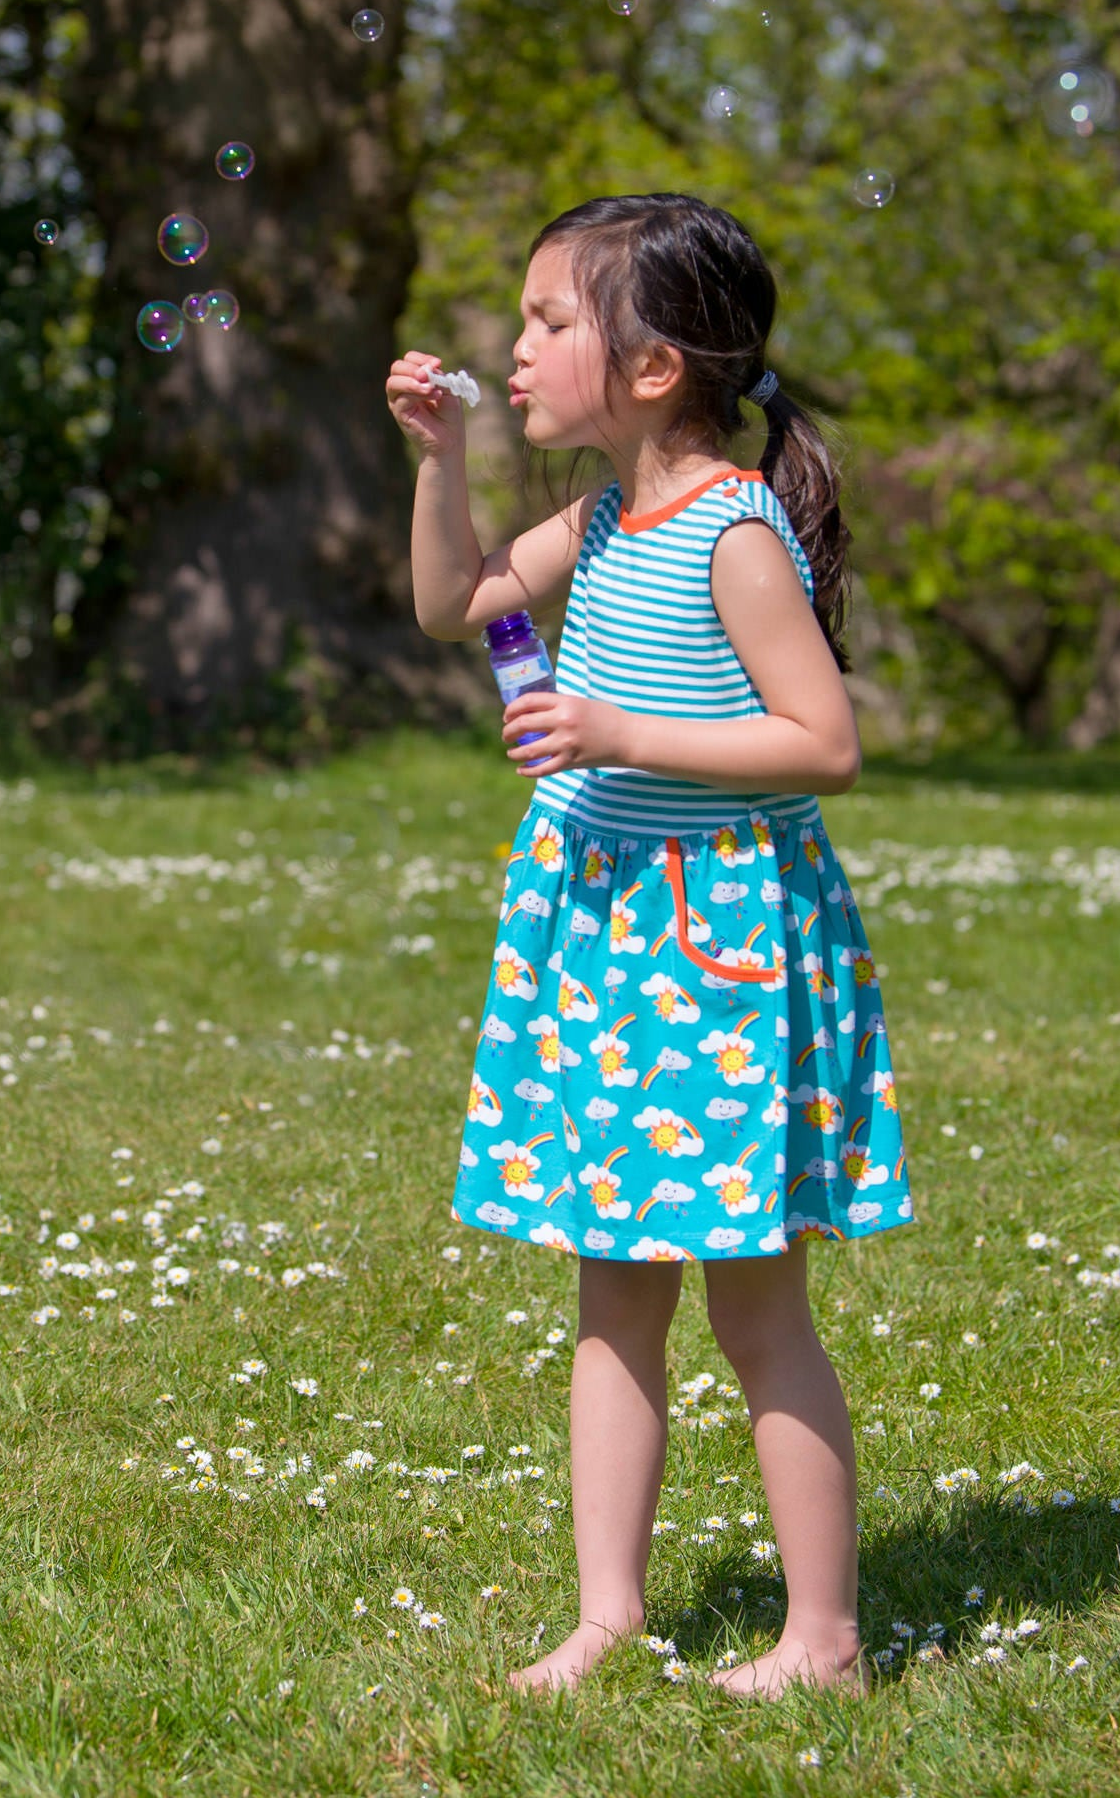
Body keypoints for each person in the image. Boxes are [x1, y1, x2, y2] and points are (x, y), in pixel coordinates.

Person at [385, 193, 912, 1697]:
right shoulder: (604, 515)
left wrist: (616, 727)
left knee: (754, 1303)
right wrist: (442, 464)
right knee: (611, 1286)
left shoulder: (731, 534)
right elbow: (450, 605)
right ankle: (606, 1614)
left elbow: (823, 745)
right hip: (609, 936)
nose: (519, 344)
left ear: (654, 365)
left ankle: (821, 1636)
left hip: (720, 943)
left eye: (551, 319)